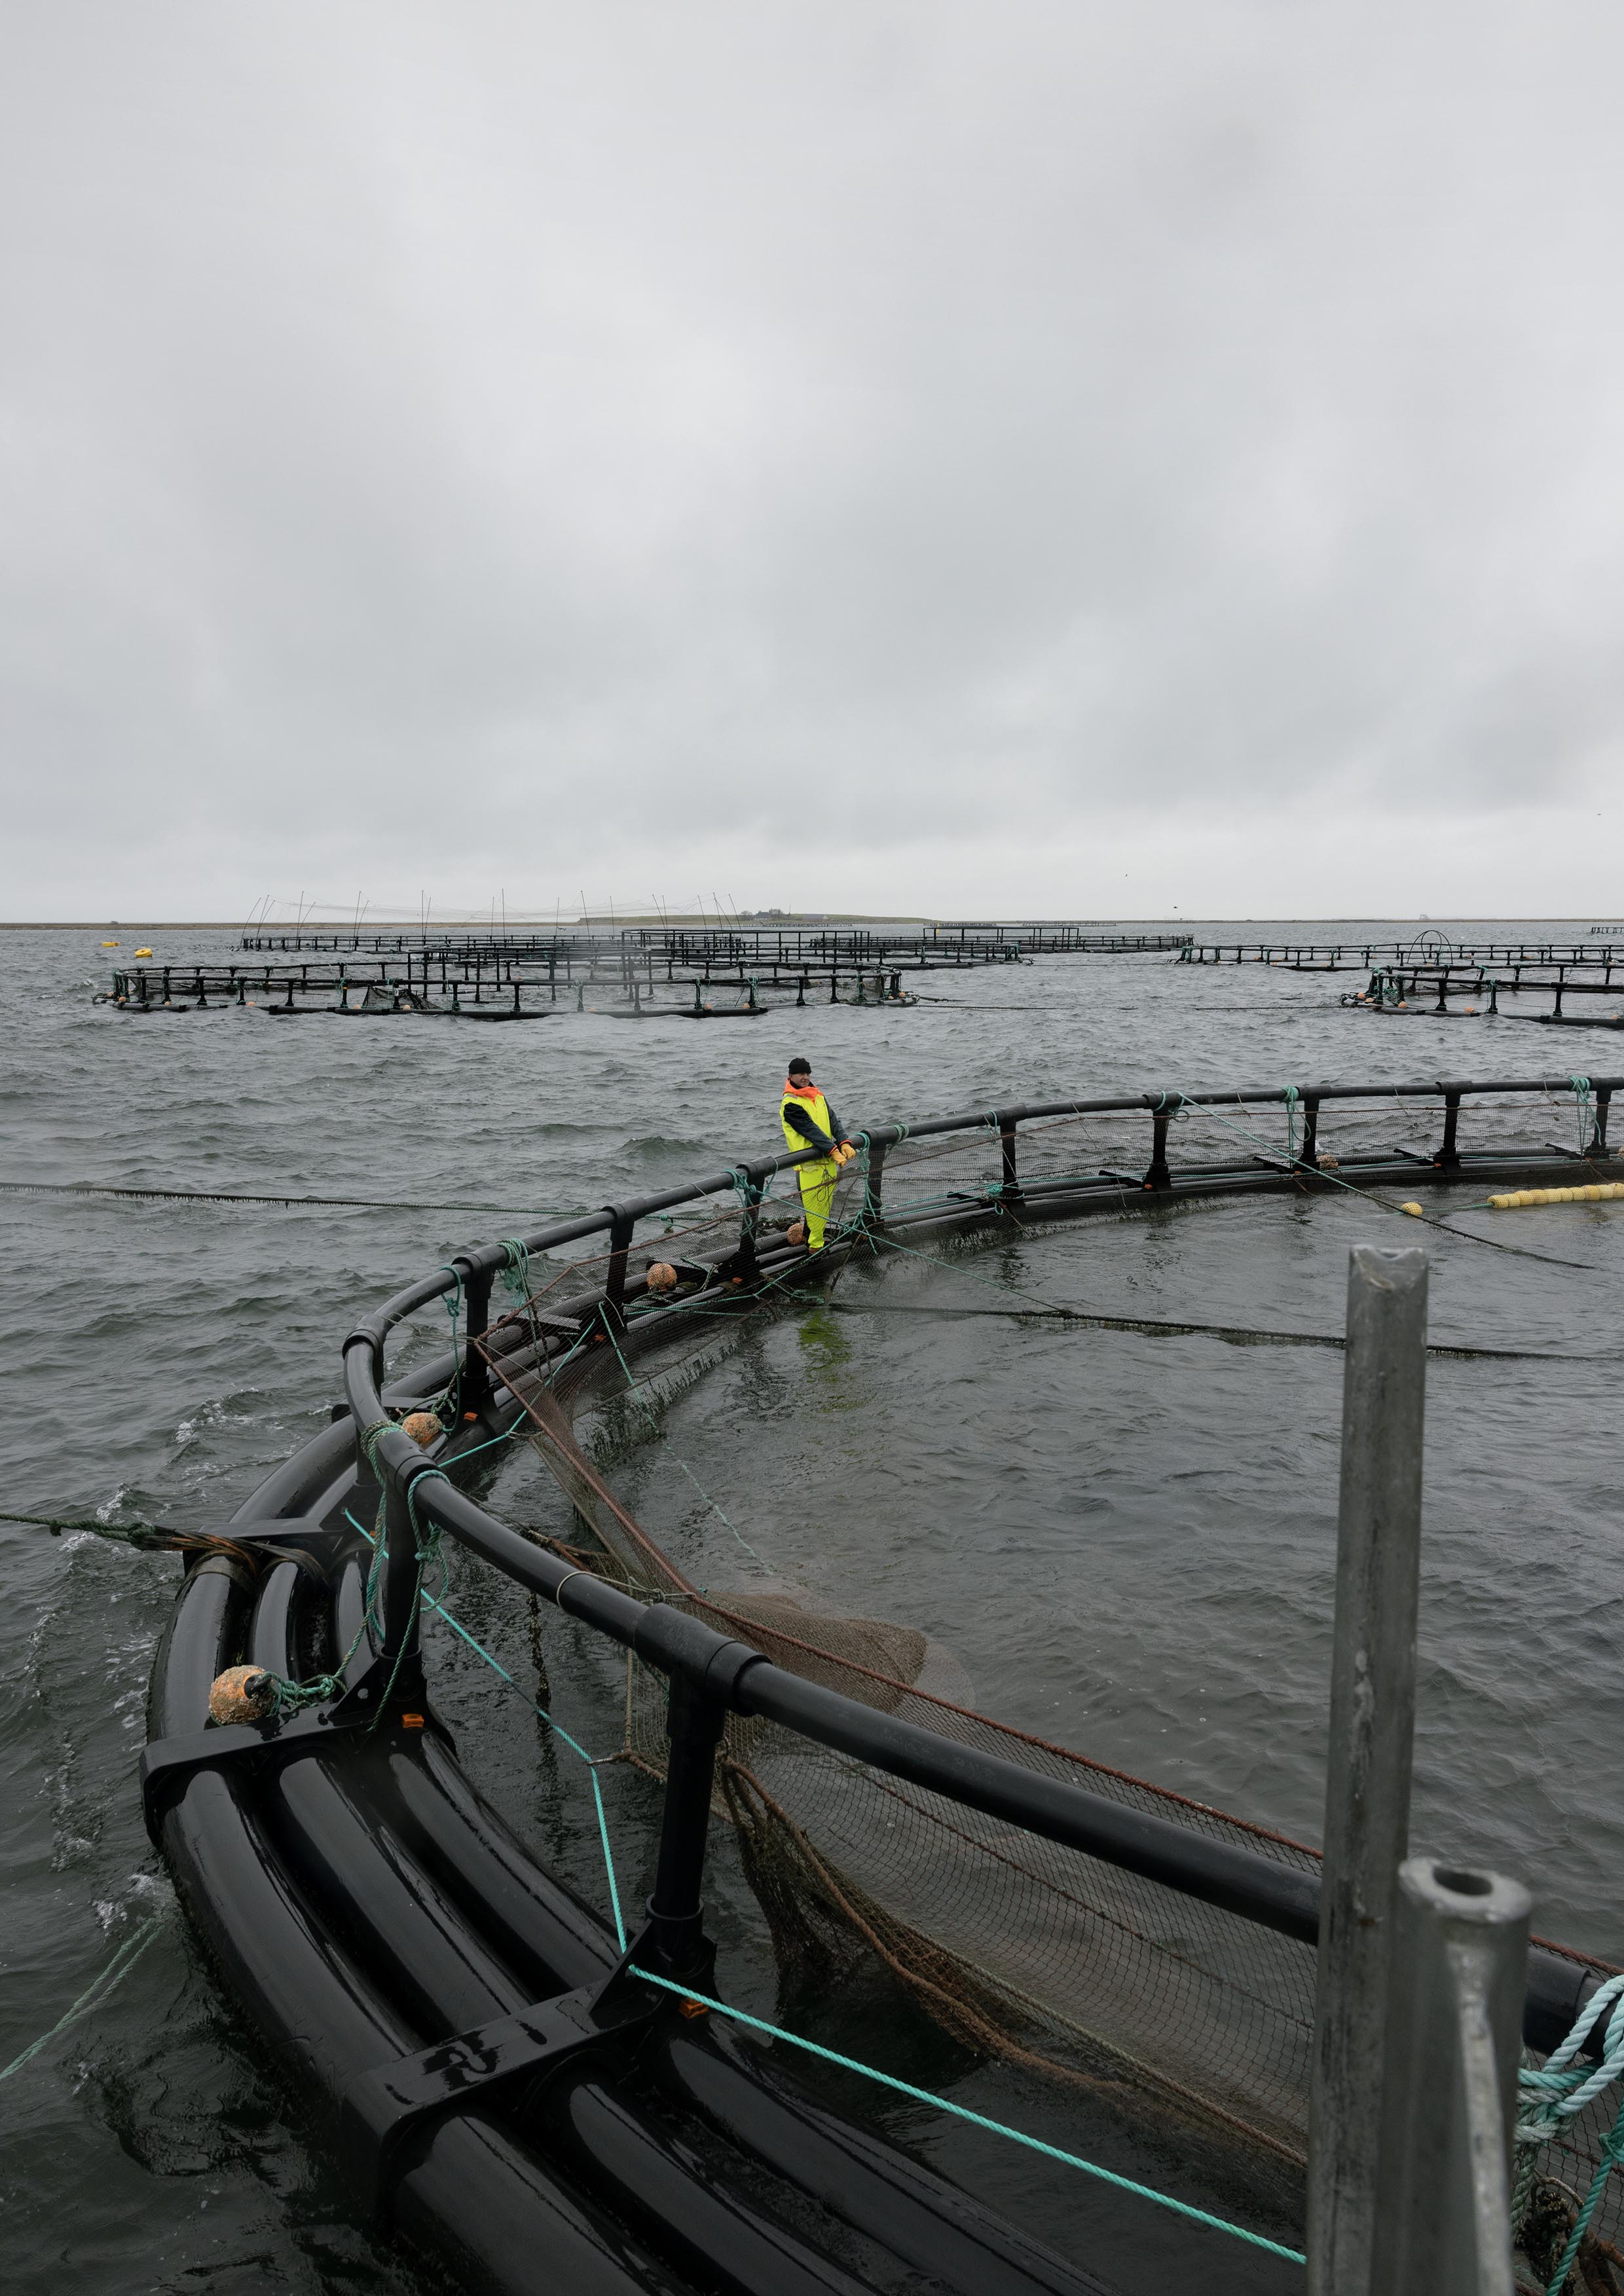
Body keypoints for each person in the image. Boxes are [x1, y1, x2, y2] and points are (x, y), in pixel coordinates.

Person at [779, 1058, 855, 1250]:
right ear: (790, 1076)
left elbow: (833, 1120)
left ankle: (810, 1238)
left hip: (827, 1162)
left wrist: (844, 1142)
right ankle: (815, 1249)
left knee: (824, 1207)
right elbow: (809, 1130)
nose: (805, 1077)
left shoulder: (818, 1095)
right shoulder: (790, 1103)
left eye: (807, 1073)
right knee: (814, 1210)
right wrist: (833, 1150)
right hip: (809, 1167)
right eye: (800, 1074)